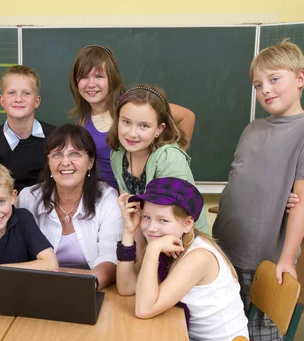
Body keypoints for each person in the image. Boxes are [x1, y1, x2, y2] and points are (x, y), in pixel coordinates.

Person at [212, 39, 304, 341]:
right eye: (257, 85)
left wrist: (286, 259)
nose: (265, 90)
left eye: (274, 80)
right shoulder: (253, 128)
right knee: (228, 333)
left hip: (266, 255)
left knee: (266, 339)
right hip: (227, 248)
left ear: (300, 78)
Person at [116, 177, 248, 341]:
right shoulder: (171, 244)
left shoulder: (198, 257)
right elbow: (126, 288)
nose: (151, 228)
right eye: (147, 217)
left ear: (187, 224)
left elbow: (144, 308)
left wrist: (152, 250)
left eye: (163, 220)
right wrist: (128, 232)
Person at [69, 45, 195, 189]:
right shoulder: (83, 124)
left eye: (99, 76)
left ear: (112, 78)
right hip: (118, 200)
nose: (91, 84)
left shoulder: (134, 106)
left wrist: (173, 157)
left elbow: (187, 116)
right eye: (84, 77)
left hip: (152, 195)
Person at [18, 124, 122, 290]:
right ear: (49, 161)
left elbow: (110, 258)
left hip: (91, 289)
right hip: (37, 288)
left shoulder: (108, 199)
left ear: (90, 161)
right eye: (57, 154)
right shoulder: (28, 197)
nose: (65, 162)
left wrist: (81, 287)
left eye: (74, 154)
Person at [107, 84, 209, 235]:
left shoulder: (169, 157)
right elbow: (132, 212)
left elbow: (171, 221)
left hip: (183, 241)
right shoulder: (117, 155)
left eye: (144, 126)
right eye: (126, 122)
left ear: (159, 129)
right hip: (149, 235)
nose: (132, 133)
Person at [0, 65, 55, 193]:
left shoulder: (55, 137)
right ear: (2, 100)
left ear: (37, 101)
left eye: (26, 93)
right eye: (11, 93)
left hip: (48, 209)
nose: (19, 99)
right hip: (7, 211)